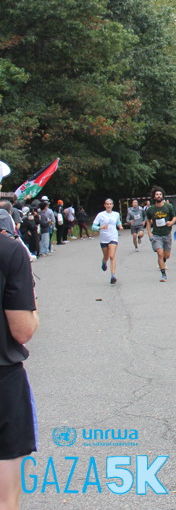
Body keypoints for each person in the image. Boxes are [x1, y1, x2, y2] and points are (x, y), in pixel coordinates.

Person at [0, 217, 38, 510]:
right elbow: (22, 330)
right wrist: (33, 307)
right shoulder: (9, 250)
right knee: (5, 498)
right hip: (2, 379)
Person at [145, 187, 176, 282]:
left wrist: (171, 222)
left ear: (162, 196)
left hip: (166, 234)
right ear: (154, 197)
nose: (158, 196)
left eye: (160, 194)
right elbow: (148, 221)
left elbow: (175, 217)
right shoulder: (150, 209)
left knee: (166, 255)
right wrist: (149, 233)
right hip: (156, 235)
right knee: (160, 253)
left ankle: (163, 261)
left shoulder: (168, 206)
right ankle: (163, 274)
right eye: (157, 194)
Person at [92, 198, 123, 285]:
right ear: (105, 205)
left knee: (112, 256)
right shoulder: (100, 215)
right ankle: (104, 262)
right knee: (106, 256)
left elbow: (118, 222)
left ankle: (113, 276)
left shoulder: (116, 214)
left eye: (110, 204)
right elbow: (93, 227)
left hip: (113, 237)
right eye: (107, 204)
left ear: (112, 205)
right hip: (104, 238)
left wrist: (120, 226)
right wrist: (100, 227)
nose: (109, 205)